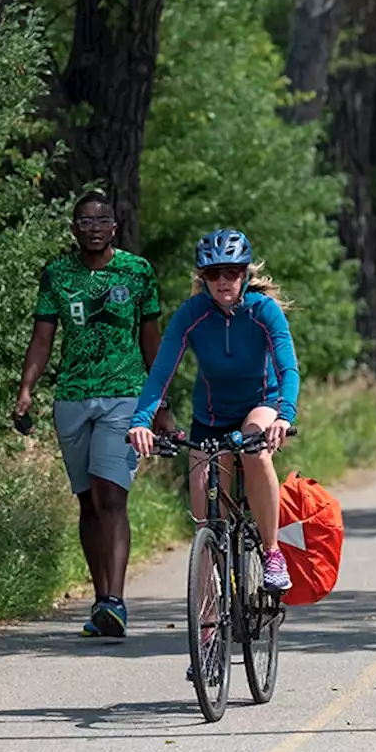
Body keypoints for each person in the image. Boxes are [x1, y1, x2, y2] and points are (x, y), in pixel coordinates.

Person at [13, 190, 170, 638]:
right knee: (87, 501)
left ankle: (116, 600)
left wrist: (158, 403)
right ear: (74, 228)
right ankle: (101, 601)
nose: (94, 227)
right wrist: (27, 388)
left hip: (124, 395)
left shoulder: (137, 273)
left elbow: (151, 341)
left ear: (114, 228)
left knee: (111, 495)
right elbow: (42, 338)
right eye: (85, 221)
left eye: (102, 220)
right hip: (72, 397)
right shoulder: (57, 275)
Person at [128, 228, 299, 593]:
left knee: (256, 453)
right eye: (212, 273)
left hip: (260, 405)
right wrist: (142, 421)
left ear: (245, 274)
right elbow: (161, 372)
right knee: (205, 512)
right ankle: (208, 605)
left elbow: (288, 368)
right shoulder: (192, 313)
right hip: (210, 417)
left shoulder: (262, 310)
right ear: (201, 278)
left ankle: (271, 553)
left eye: (232, 272)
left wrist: (285, 415)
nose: (223, 281)